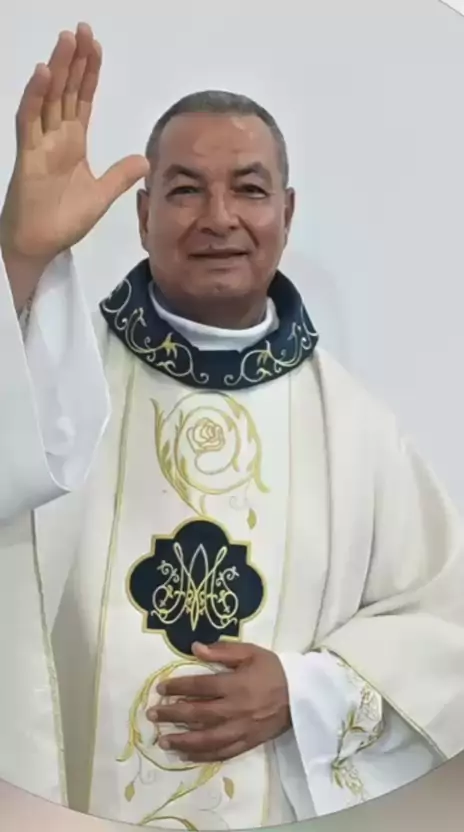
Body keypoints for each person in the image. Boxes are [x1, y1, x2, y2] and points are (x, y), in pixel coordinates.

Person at [0, 21, 463, 830]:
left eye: (249, 189)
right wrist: (18, 264)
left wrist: (306, 691)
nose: (219, 217)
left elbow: (443, 624)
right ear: (142, 215)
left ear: (287, 212)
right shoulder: (56, 379)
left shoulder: (357, 431)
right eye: (185, 190)